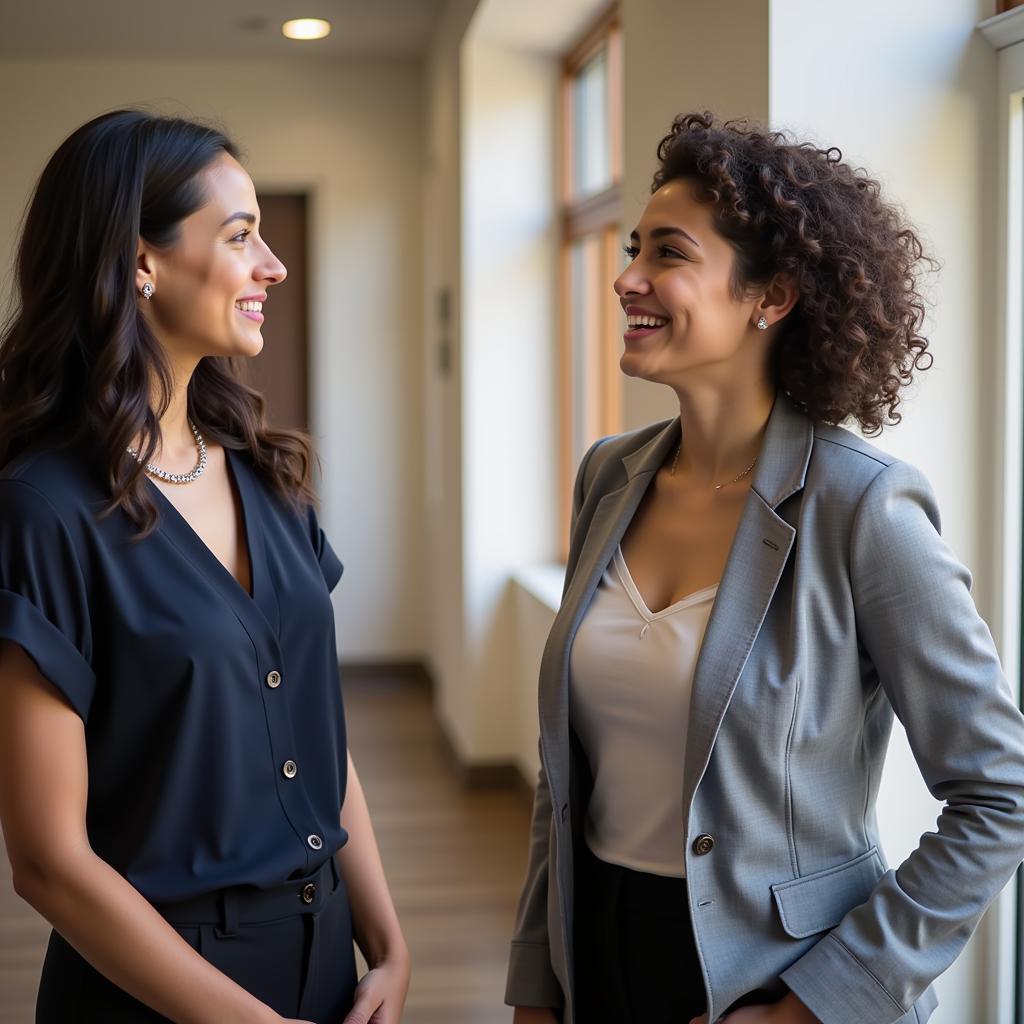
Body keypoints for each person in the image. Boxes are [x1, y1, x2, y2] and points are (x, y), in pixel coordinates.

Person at [505, 111, 1024, 1024]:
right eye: (632, 249)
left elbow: (999, 793)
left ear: (770, 296)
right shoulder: (608, 476)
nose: (626, 278)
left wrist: (816, 1007)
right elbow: (565, 771)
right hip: (599, 956)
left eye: (666, 253)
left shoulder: (864, 507)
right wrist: (537, 983)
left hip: (777, 981)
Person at [0, 110, 409, 1024]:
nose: (275, 265)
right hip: (152, 986)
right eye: (240, 236)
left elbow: (321, 746)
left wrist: (387, 942)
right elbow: (47, 862)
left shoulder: (272, 479)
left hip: (328, 962)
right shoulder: (42, 511)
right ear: (138, 262)